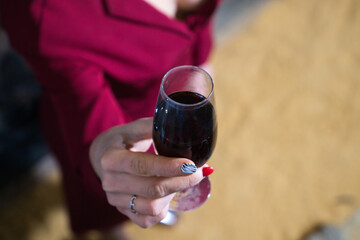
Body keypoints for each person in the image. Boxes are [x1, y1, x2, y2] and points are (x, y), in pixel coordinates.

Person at [0, 0, 220, 238]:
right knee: (109, 198)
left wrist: (200, 60)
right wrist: (105, 155)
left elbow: (197, 22)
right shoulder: (48, 13)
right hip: (113, 122)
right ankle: (111, 229)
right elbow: (95, 128)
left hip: (165, 101)